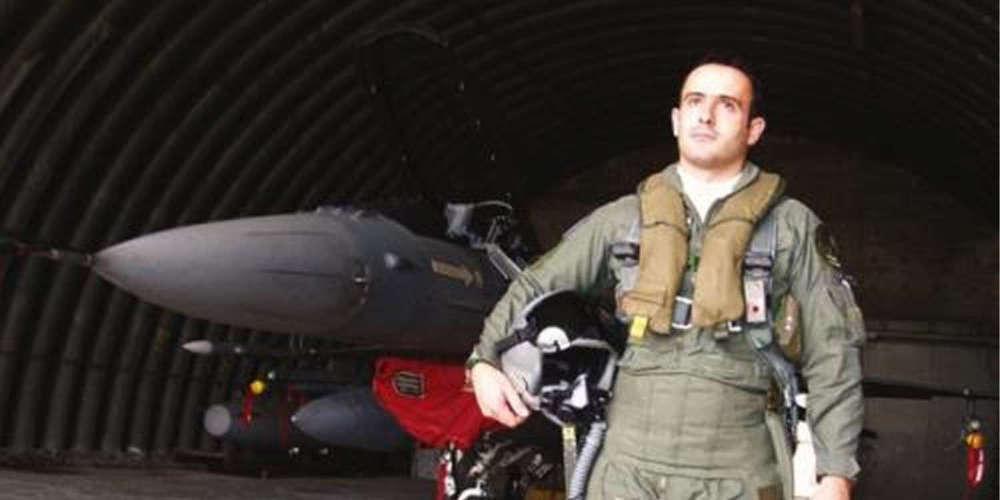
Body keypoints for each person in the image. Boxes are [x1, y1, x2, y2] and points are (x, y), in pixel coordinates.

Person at [466, 55, 864, 500]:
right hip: (627, 470)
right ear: (676, 120)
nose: (706, 115)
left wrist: (836, 474)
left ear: (753, 129)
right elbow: (534, 285)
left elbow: (833, 349)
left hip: (736, 471)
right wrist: (484, 360)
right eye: (695, 101)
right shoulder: (624, 220)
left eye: (727, 105)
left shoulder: (790, 227)